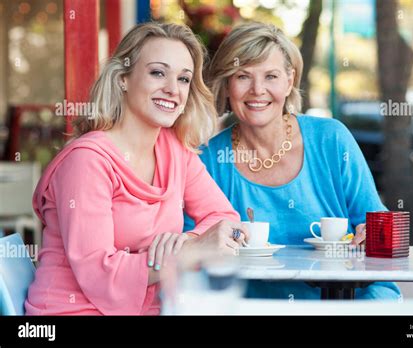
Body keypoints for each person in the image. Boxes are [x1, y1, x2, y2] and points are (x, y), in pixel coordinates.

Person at [26, 22, 248, 315]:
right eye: (158, 72)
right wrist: (189, 252)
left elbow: (225, 219)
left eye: (183, 79)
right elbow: (98, 273)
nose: (172, 89)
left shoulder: (175, 152)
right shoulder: (88, 161)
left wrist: (190, 239)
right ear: (123, 79)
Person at [184, 22, 401, 300]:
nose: (257, 90)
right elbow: (190, 251)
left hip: (346, 302)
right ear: (226, 85)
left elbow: (383, 229)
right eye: (242, 76)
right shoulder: (207, 160)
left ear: (289, 80)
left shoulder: (330, 139)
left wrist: (373, 235)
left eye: (271, 76)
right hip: (254, 307)